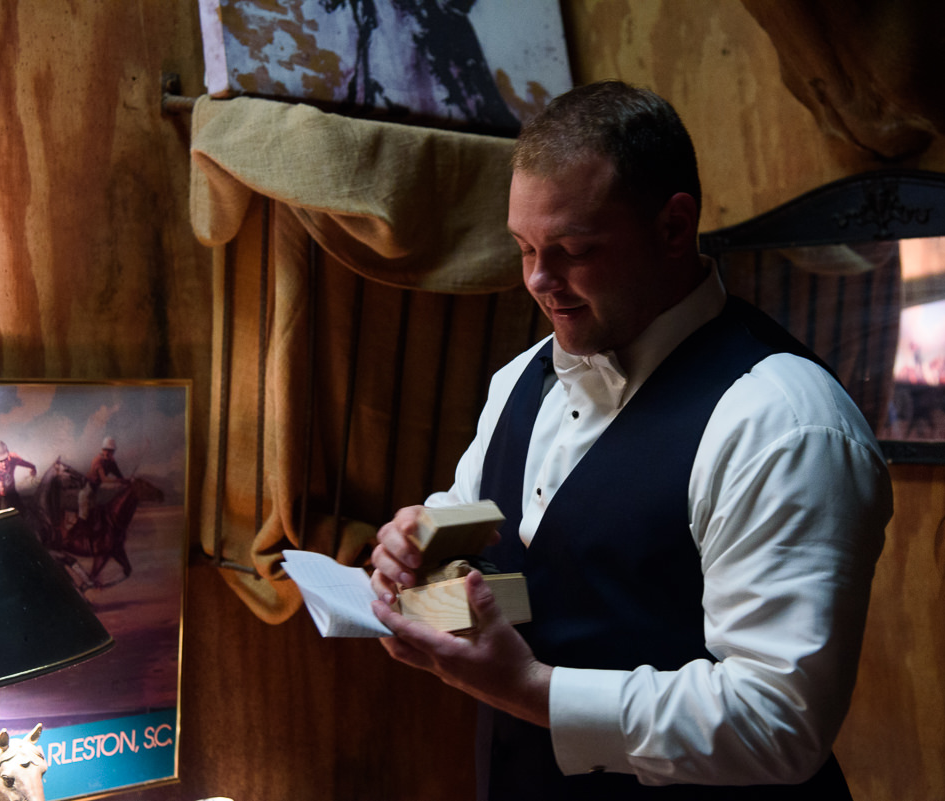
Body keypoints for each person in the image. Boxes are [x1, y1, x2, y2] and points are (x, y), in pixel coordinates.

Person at [370, 80, 893, 799]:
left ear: (675, 228)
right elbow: (484, 538)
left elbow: (779, 722)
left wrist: (530, 688)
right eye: (523, 248)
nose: (537, 280)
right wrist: (417, 553)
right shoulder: (519, 377)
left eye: (572, 249)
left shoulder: (783, 422)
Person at [79, 436, 125, 520]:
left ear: (113, 452)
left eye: (110, 451)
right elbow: (104, 479)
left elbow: (119, 475)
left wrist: (124, 480)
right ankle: (83, 520)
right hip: (91, 485)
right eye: (106, 450)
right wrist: (118, 480)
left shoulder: (111, 461)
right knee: (83, 497)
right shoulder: (98, 460)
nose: (108, 453)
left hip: (100, 487)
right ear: (102, 450)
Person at [0, 440, 37, 510]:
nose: (4, 464)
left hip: (13, 493)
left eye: (5, 459)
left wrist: (33, 467)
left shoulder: (13, 459)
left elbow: (24, 463)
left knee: (22, 510)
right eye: (0, 461)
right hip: (3, 497)